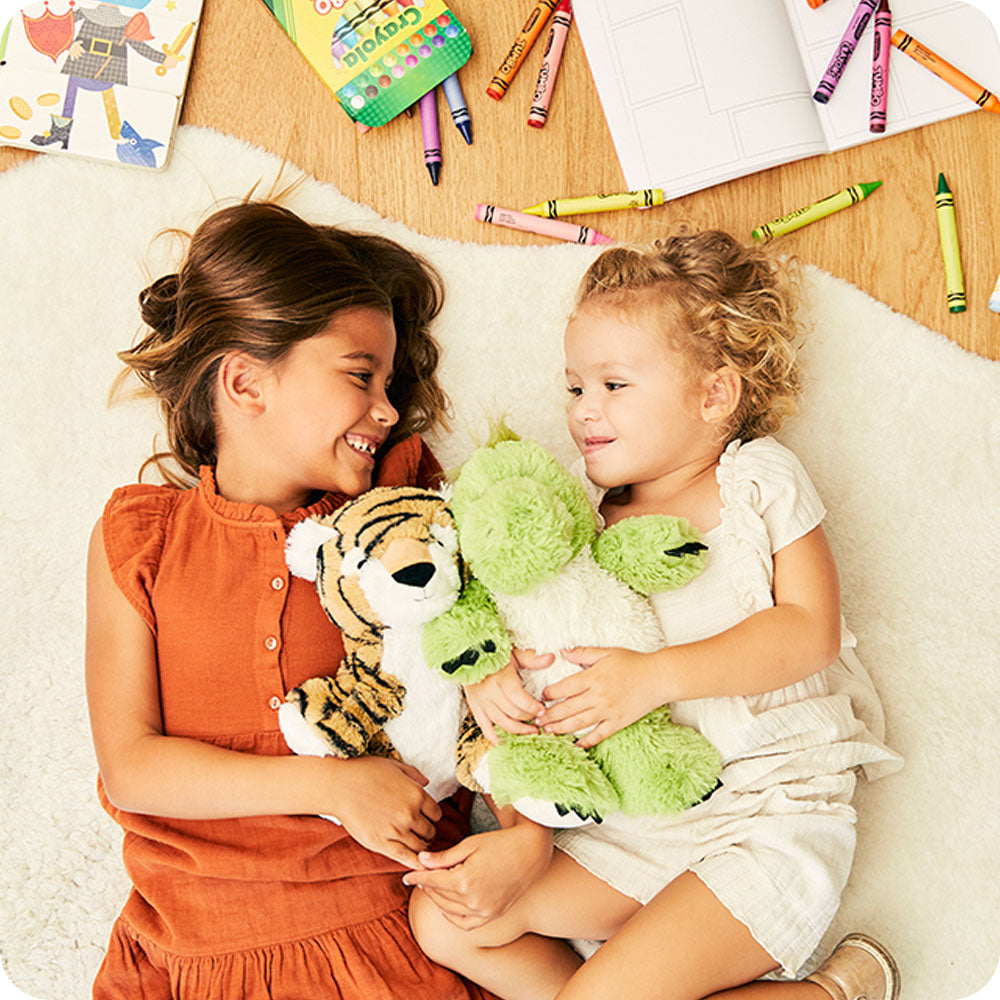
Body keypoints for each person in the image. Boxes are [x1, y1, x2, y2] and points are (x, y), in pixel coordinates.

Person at [407, 230, 904, 1000]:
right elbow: (520, 644)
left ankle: (827, 992)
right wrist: (486, 677)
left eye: (614, 385)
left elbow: (808, 632)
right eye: (575, 388)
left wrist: (654, 677)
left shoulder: (755, 481)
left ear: (714, 396)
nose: (584, 411)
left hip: (767, 816)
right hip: (639, 826)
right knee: (444, 920)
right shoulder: (571, 516)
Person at [85, 200, 494, 999]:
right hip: (193, 955)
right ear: (245, 382)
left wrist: (522, 839)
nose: (385, 408)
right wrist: (329, 785)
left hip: (385, 940)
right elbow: (130, 767)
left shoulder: (398, 514)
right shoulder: (141, 540)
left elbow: (485, 672)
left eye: (388, 383)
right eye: (360, 376)